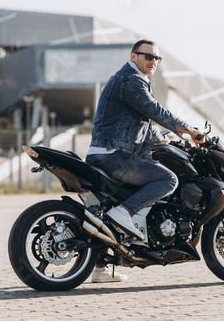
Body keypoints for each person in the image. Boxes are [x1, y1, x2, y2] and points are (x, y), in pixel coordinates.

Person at [86, 39, 204, 282]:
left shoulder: (129, 80)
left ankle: (99, 267)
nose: (153, 62)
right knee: (168, 179)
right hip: (116, 155)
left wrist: (166, 141)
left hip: (105, 153)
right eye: (148, 56)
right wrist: (190, 130)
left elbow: (145, 124)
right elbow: (155, 110)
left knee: (101, 210)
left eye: (157, 58)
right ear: (133, 56)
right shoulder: (131, 80)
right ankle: (125, 212)